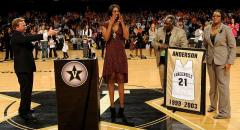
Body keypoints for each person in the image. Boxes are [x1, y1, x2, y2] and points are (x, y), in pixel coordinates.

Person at [11, 17, 58, 122]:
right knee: (25, 91)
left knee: (28, 91)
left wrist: (33, 42)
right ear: (16, 27)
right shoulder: (16, 36)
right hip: (22, 69)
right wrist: (46, 34)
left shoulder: (22, 36)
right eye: (23, 25)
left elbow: (29, 44)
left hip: (27, 67)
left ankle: (26, 108)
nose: (25, 26)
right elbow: (28, 39)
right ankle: (23, 113)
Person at [100, 4, 131, 124]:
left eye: (118, 11)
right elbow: (107, 38)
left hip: (120, 54)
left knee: (121, 79)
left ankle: (122, 108)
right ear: (110, 13)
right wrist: (111, 23)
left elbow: (127, 37)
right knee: (111, 80)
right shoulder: (104, 24)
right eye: (114, 11)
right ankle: (112, 107)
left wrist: (122, 23)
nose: (116, 13)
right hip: (110, 54)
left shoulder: (123, 23)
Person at [203, 10, 236, 119]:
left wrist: (230, 62)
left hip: (223, 62)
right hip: (210, 61)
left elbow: (232, 46)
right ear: (212, 17)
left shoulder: (226, 29)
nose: (216, 17)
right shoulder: (207, 29)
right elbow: (205, 45)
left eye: (218, 16)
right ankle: (213, 105)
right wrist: (204, 57)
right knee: (212, 86)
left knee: (223, 87)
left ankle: (225, 112)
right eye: (214, 16)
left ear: (221, 17)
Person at [152, 15, 188, 92]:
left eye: (167, 23)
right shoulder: (160, 30)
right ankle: (164, 93)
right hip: (162, 58)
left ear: (172, 23)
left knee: (173, 78)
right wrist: (160, 45)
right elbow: (153, 42)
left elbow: (185, 46)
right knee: (162, 77)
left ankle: (173, 94)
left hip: (174, 60)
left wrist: (170, 48)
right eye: (164, 23)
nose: (165, 25)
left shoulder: (180, 32)